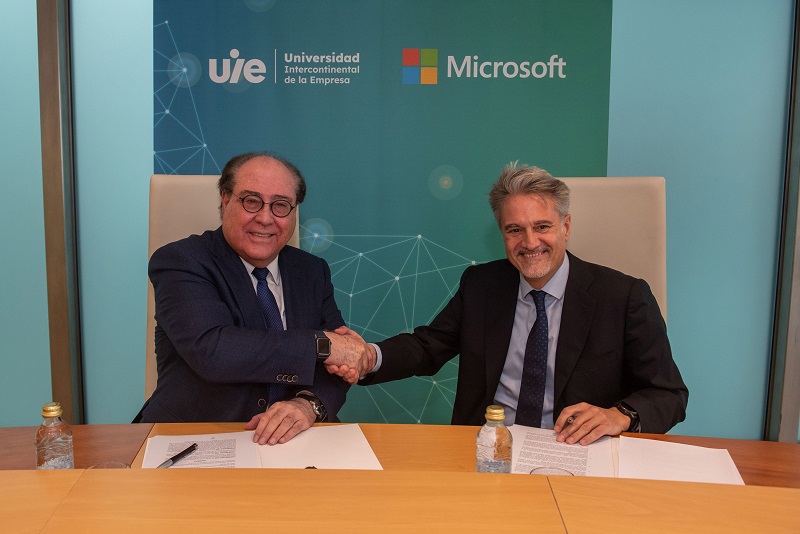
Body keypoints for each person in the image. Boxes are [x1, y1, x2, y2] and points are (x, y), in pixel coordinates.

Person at [330, 163, 687, 445]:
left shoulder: (623, 297)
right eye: (515, 230)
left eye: (542, 227)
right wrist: (370, 356)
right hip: (488, 451)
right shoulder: (482, 285)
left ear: (566, 226)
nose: (529, 243)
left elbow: (669, 394)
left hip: (576, 453)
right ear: (502, 233)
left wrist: (619, 415)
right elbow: (427, 346)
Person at [137, 152, 369, 445]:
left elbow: (338, 363)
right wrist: (320, 345)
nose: (265, 218)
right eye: (251, 201)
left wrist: (307, 405)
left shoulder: (312, 271)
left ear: (294, 212)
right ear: (225, 200)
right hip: (197, 437)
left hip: (295, 441)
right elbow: (214, 351)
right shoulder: (181, 261)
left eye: (280, 205)